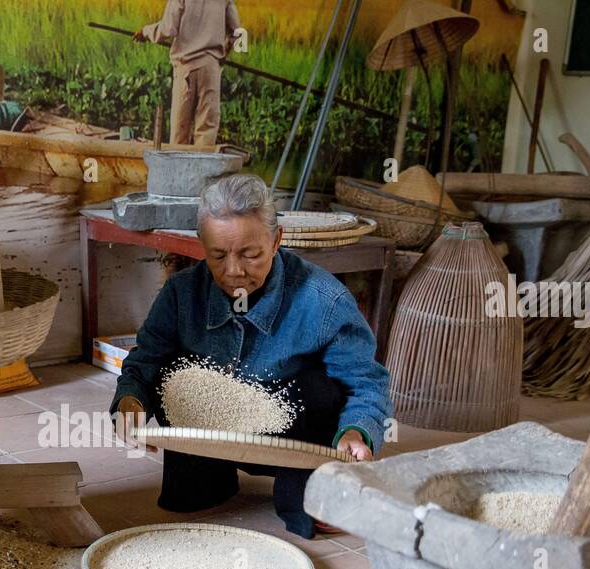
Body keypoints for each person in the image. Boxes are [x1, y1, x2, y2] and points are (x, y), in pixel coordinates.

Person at [110, 173, 392, 540]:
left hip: (292, 440)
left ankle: (308, 487)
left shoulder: (324, 300)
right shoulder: (181, 295)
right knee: (170, 377)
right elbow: (144, 361)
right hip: (206, 437)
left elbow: (365, 380)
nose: (233, 271)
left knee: (319, 389)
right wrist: (131, 402)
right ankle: (211, 478)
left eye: (249, 254)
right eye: (217, 255)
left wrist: (357, 431)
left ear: (276, 240)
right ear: (201, 244)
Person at [135, 0, 240, 147]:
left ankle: (178, 168)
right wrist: (222, 54)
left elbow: (168, 29)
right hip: (211, 68)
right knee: (206, 131)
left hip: (186, 68)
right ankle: (202, 169)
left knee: (180, 130)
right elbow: (237, 33)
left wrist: (145, 32)